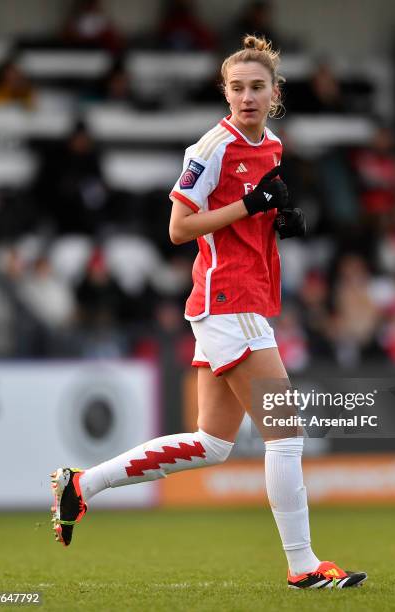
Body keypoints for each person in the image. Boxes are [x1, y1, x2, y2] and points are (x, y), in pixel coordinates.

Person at [50, 35, 366, 591]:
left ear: (275, 93)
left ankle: (82, 484)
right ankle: (303, 565)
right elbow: (178, 228)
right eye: (237, 88)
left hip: (243, 298)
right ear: (225, 92)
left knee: (214, 442)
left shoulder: (271, 144)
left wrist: (278, 222)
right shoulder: (210, 148)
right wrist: (250, 206)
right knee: (286, 435)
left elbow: (252, 219)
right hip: (227, 299)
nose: (247, 97)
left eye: (257, 87)